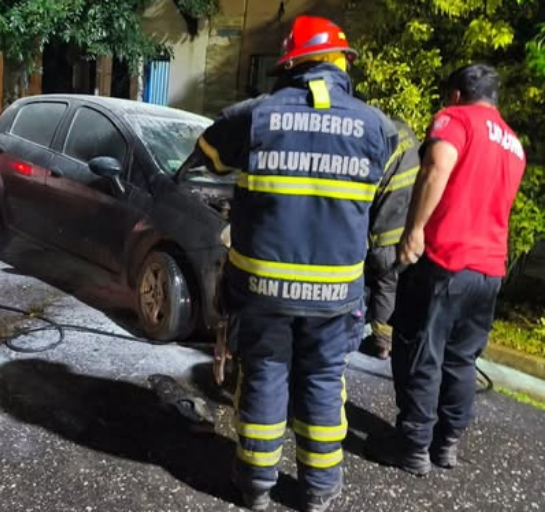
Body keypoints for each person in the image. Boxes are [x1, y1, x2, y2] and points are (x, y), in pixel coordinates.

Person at [185, 15, 397, 512]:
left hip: (263, 289)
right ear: (340, 62)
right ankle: (319, 491)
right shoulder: (377, 127)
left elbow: (207, 155)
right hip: (335, 294)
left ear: (289, 65)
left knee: (264, 376)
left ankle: (256, 486)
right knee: (323, 382)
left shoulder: (256, 115)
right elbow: (385, 195)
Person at [367, 64, 526, 475]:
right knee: (461, 358)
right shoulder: (513, 143)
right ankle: (446, 443)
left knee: (421, 350)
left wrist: (414, 230)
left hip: (445, 260)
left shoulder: (455, 118)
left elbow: (437, 164)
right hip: (489, 269)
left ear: (456, 94)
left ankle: (413, 445)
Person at [361, 120, 420, 359]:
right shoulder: (406, 136)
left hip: (387, 230)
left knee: (384, 280)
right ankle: (387, 338)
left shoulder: (378, 140)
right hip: (411, 228)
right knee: (391, 282)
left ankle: (381, 342)